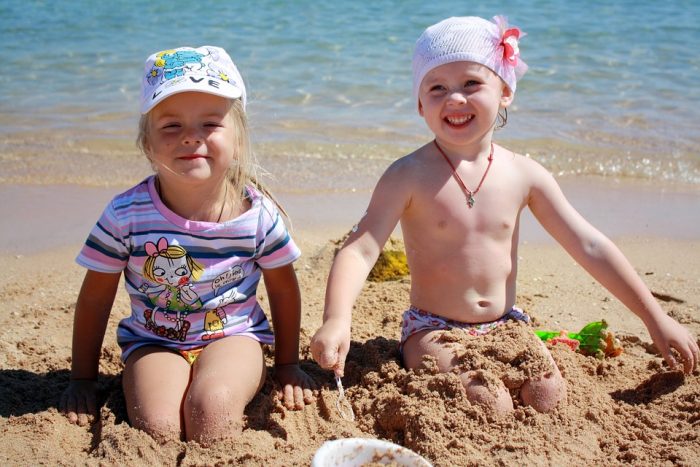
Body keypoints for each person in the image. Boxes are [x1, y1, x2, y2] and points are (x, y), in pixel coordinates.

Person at [310, 16, 698, 414]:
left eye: (472, 84)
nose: (455, 99)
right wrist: (336, 318)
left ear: (506, 90)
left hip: (508, 323)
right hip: (432, 329)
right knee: (487, 402)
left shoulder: (523, 174)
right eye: (437, 88)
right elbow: (359, 250)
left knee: (548, 397)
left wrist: (655, 318)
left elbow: (588, 244)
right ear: (420, 103)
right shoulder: (407, 175)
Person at [59, 46, 315, 444]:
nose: (191, 137)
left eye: (210, 124)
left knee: (210, 411)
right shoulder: (126, 215)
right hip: (153, 341)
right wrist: (82, 379)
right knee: (159, 426)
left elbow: (284, 290)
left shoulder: (257, 215)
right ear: (147, 143)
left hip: (234, 337)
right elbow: (95, 299)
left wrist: (286, 365)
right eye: (171, 126)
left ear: (238, 138)